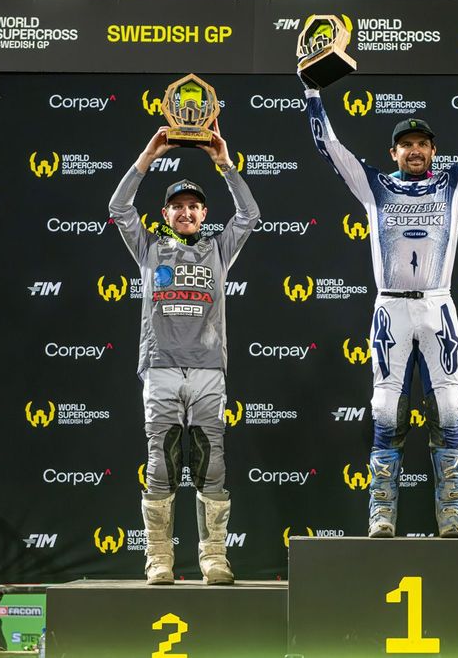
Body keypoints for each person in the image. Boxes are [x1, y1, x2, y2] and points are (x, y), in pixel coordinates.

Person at [300, 50, 458, 538]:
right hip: (391, 307)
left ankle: (452, 515)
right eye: (406, 145)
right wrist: (312, 92)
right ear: (393, 152)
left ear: (433, 150)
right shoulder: (374, 186)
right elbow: (330, 147)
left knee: (451, 410)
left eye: (422, 144)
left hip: (438, 306)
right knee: (383, 410)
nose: (414, 151)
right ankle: (381, 514)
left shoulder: (454, 183)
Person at [108, 123, 261, 584]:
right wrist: (148, 156)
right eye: (178, 206)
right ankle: (159, 559)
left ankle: (214, 557)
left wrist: (225, 164)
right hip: (161, 368)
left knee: (212, 462)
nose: (187, 212)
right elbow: (118, 208)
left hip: (209, 369)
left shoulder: (219, 250)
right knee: (161, 461)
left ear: (203, 213)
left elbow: (249, 214)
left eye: (194, 206)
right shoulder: (150, 249)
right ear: (167, 213)